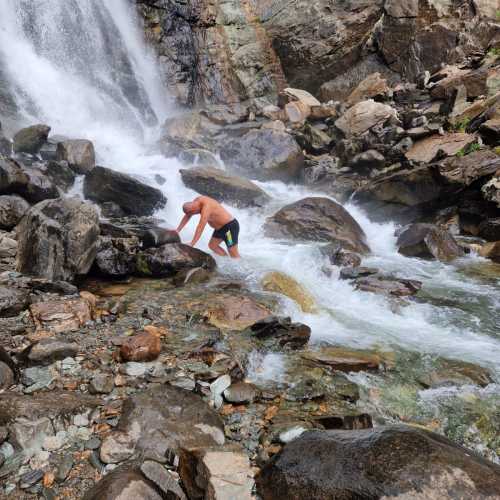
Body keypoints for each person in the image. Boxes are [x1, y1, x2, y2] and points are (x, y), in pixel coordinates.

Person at [176, 196, 240, 258]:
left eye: (192, 213)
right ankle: (227, 260)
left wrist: (192, 243)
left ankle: (240, 266)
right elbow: (187, 215)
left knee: (232, 251)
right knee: (212, 246)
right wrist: (177, 230)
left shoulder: (206, 207)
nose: (194, 215)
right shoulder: (196, 201)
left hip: (229, 229)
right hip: (220, 229)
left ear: (193, 210)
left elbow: (200, 227)